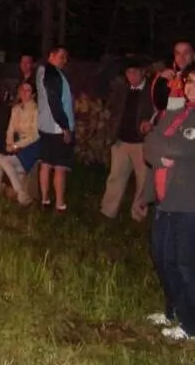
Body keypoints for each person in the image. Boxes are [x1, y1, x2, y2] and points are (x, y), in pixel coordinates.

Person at [135, 62, 195, 341]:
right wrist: (160, 156)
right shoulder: (176, 114)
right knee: (161, 258)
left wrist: (161, 149)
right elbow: (150, 144)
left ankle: (191, 324)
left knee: (184, 263)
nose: (192, 86)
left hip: (187, 203)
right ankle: (174, 311)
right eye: (190, 81)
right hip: (164, 201)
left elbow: (181, 147)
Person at [99, 58, 154, 219]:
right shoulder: (122, 90)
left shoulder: (151, 92)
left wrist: (150, 125)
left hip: (142, 144)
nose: (132, 76)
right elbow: (113, 111)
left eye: (135, 72)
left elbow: (158, 114)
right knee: (115, 177)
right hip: (121, 142)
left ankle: (138, 214)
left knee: (143, 181)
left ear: (143, 72)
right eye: (129, 72)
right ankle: (108, 211)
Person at [36, 45, 75, 213]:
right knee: (59, 166)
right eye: (61, 56)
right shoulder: (52, 74)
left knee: (46, 163)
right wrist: (65, 126)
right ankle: (60, 204)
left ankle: (45, 200)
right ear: (51, 55)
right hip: (56, 128)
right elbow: (55, 102)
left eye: (66, 57)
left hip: (44, 126)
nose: (64, 60)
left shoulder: (41, 72)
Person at [0, 80, 39, 205]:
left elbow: (34, 136)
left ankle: (20, 193)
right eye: (22, 89)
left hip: (31, 147)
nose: (23, 92)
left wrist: (16, 145)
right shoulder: (16, 109)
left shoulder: (36, 110)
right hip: (17, 145)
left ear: (33, 94)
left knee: (2, 160)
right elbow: (10, 129)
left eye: (27, 90)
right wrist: (9, 144)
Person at [152, 41, 194, 113]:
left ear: (193, 55)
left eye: (186, 53)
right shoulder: (167, 75)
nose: (181, 58)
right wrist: (161, 82)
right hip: (167, 122)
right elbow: (160, 106)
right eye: (177, 53)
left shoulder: (192, 77)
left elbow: (188, 106)